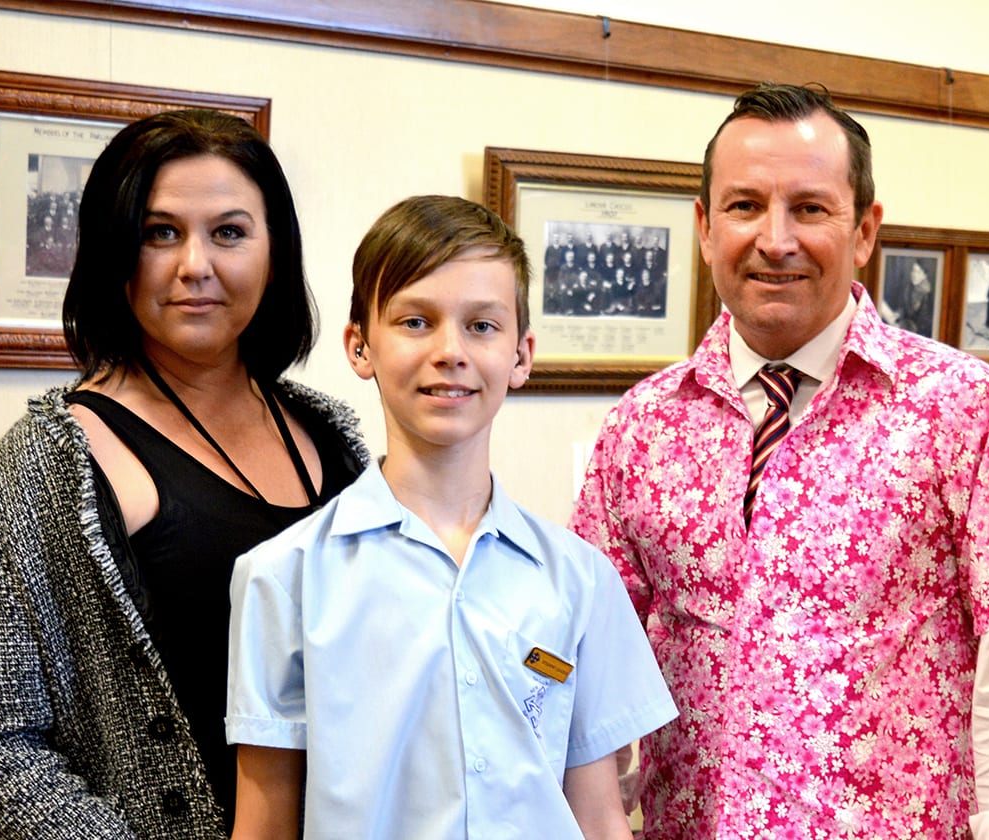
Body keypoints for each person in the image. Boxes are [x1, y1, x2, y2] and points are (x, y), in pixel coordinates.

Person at [571, 83, 989, 839]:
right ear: (704, 227)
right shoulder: (641, 427)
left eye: (810, 209)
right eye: (745, 206)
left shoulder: (965, 409)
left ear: (864, 231)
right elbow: (593, 664)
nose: (775, 239)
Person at [0, 109, 366, 839]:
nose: (194, 266)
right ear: (115, 254)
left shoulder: (331, 434)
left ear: (275, 252)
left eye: (229, 232)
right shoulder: (50, 461)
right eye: (159, 233)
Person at [226, 195, 677, 840]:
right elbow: (264, 825)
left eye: (482, 326)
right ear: (360, 347)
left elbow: (601, 817)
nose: (450, 351)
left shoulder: (581, 581)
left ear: (521, 355)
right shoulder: (284, 578)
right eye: (415, 322)